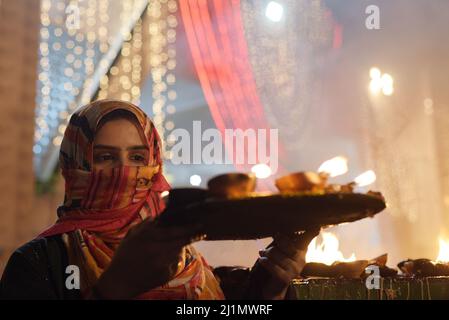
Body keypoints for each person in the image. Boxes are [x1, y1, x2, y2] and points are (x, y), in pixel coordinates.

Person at [0, 100, 318, 300]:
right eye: (105, 157)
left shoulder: (181, 257)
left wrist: (270, 282)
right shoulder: (39, 263)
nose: (125, 171)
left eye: (138, 157)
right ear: (76, 165)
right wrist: (115, 288)